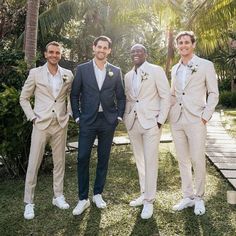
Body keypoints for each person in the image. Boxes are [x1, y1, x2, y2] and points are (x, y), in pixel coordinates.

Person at [70, 36, 126, 215]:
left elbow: (121, 96)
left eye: (105, 48)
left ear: (109, 50)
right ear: (93, 48)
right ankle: (83, 199)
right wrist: (78, 117)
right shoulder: (82, 69)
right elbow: (74, 94)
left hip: (107, 121)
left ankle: (98, 194)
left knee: (103, 158)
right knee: (82, 157)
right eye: (99, 47)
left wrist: (118, 117)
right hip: (87, 120)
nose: (102, 50)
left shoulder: (115, 71)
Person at [20, 41, 73, 220]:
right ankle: (29, 203)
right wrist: (32, 117)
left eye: (57, 53)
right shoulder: (35, 73)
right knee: (33, 164)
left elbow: (71, 95)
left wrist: (70, 113)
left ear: (60, 55)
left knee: (59, 163)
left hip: (60, 124)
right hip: (41, 124)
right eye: (51, 52)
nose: (54, 55)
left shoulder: (68, 74)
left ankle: (58, 196)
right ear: (45, 54)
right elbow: (24, 98)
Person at [169, 31, 219, 215]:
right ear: (177, 45)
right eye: (180, 43)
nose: (183, 45)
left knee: (197, 159)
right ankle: (187, 197)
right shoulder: (174, 69)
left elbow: (214, 93)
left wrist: (205, 116)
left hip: (197, 119)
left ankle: (199, 198)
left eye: (186, 42)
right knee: (182, 160)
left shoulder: (205, 65)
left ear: (193, 44)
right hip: (177, 120)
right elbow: (173, 93)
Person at [123, 44, 170, 219]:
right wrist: (126, 117)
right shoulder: (127, 76)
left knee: (150, 161)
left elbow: (165, 96)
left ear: (146, 54)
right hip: (133, 123)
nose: (135, 53)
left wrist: (160, 120)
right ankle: (143, 193)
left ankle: (149, 201)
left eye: (139, 51)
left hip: (151, 123)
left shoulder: (156, 70)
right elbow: (129, 99)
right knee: (140, 161)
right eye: (133, 51)